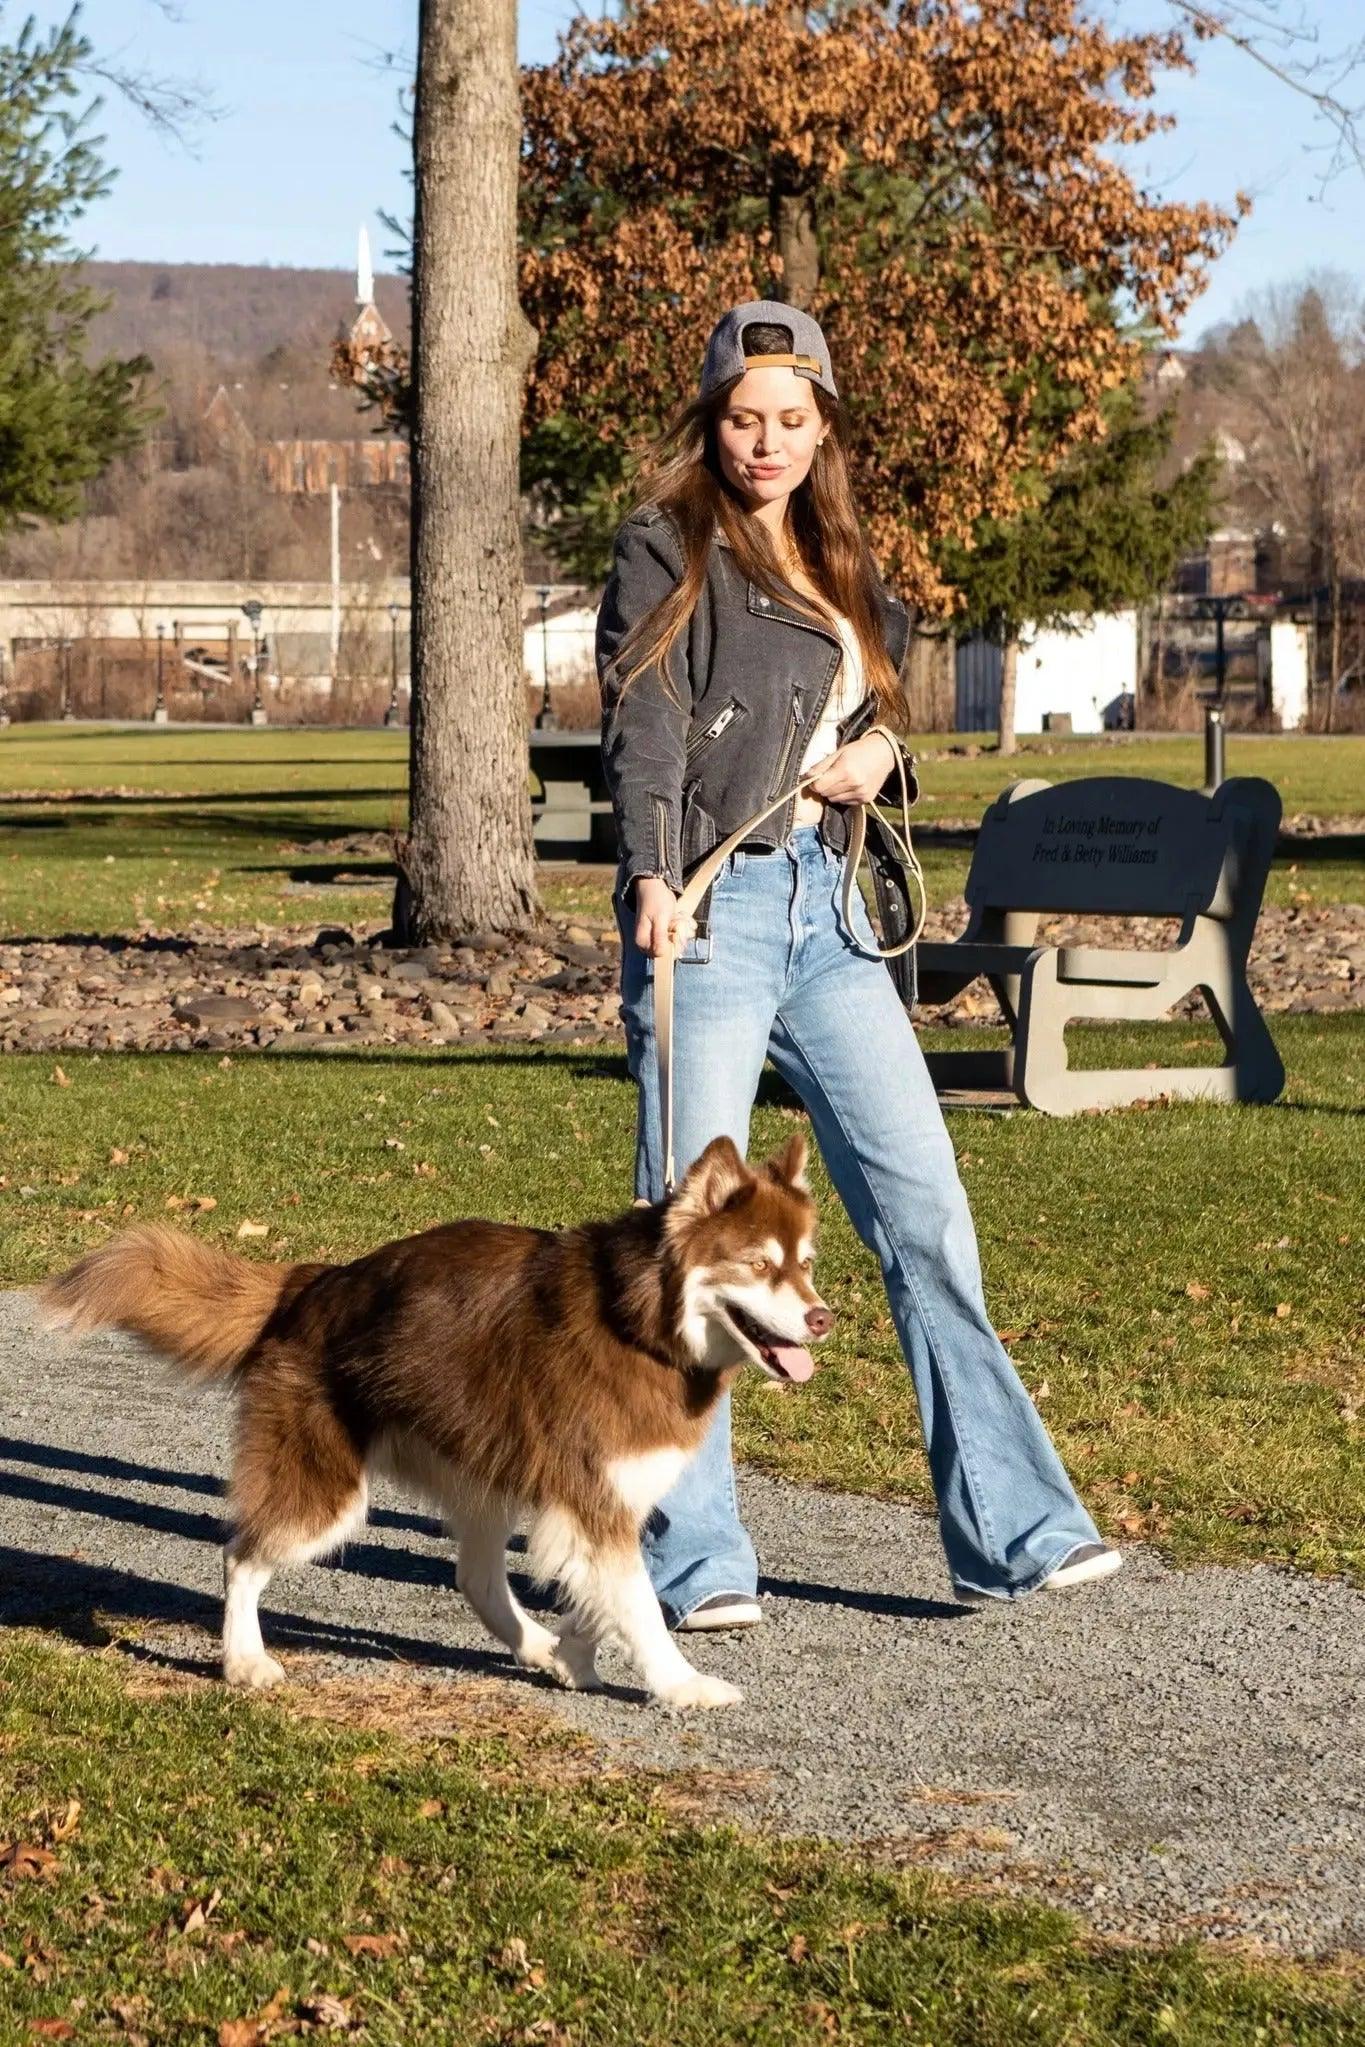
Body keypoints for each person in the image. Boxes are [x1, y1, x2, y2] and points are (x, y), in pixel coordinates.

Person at [595, 298, 1120, 1633]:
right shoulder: (665, 544)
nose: (761, 441)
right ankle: (692, 1558)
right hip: (709, 919)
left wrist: (884, 751)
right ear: (707, 424)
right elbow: (644, 722)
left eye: (786, 417)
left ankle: (1011, 1529)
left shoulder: (841, 554)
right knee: (696, 1245)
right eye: (737, 418)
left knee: (921, 1213)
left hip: (829, 924)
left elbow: (876, 707)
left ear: (820, 424)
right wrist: (653, 876)